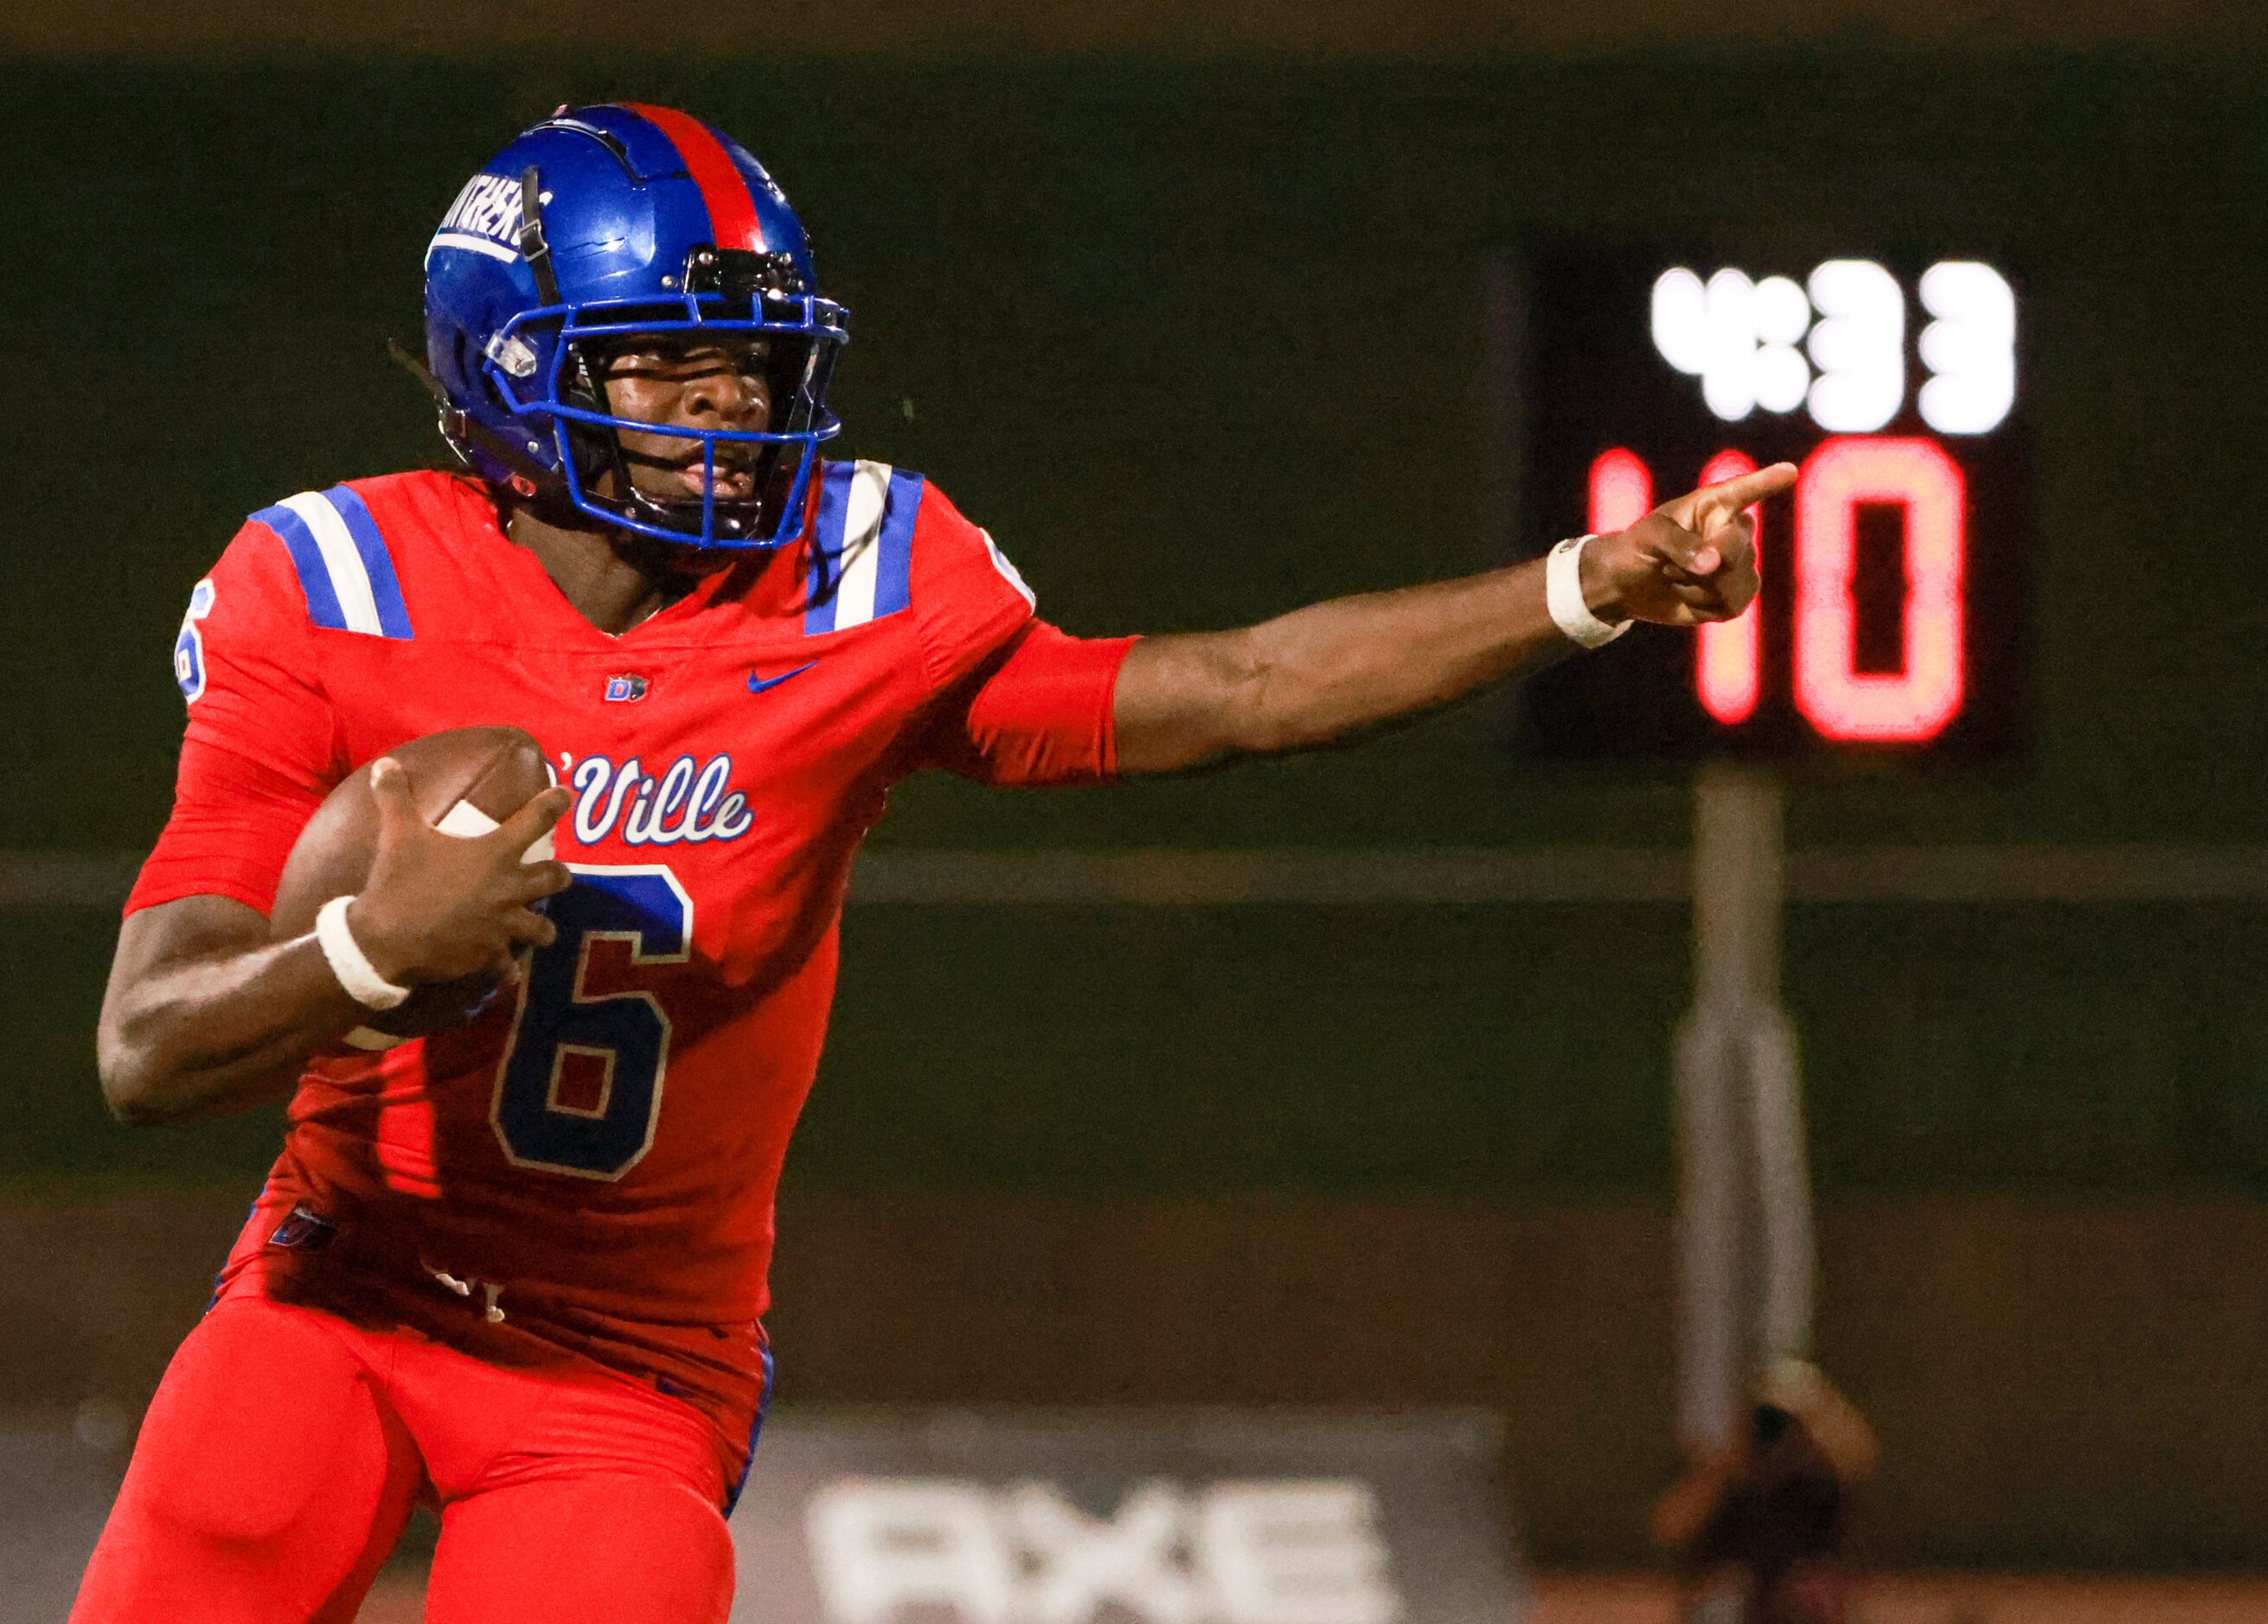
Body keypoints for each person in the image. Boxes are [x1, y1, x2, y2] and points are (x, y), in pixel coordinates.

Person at [75, 102, 1783, 1624]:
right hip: (342, 1289)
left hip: (626, 1367)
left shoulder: (855, 579)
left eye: (748, 368)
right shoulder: (332, 587)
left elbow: (1237, 688)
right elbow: (147, 1045)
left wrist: (1583, 586)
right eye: (669, 369)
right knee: (225, 1496)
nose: (730, 414)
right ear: (515, 371)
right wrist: (370, 956)